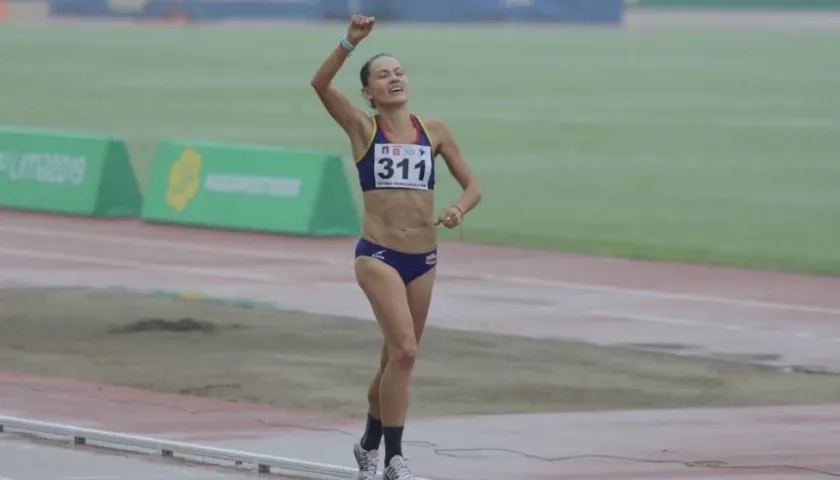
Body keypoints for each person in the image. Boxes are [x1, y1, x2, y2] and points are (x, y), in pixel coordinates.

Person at [310, 14, 483, 480]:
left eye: (399, 72)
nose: (394, 79)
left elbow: (472, 187)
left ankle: (367, 444)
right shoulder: (364, 131)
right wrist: (350, 42)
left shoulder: (436, 131)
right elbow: (320, 83)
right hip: (379, 255)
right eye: (383, 75)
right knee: (406, 351)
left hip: (423, 260)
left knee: (395, 360)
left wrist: (458, 210)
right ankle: (394, 460)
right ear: (368, 92)